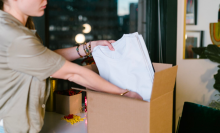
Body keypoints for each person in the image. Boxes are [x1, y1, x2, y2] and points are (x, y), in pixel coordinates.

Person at [0, 0, 143, 132]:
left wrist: (89, 47)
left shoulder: (12, 27)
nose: (45, 0)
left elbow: (45, 59)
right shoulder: (15, 36)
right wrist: (123, 93)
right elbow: (74, 74)